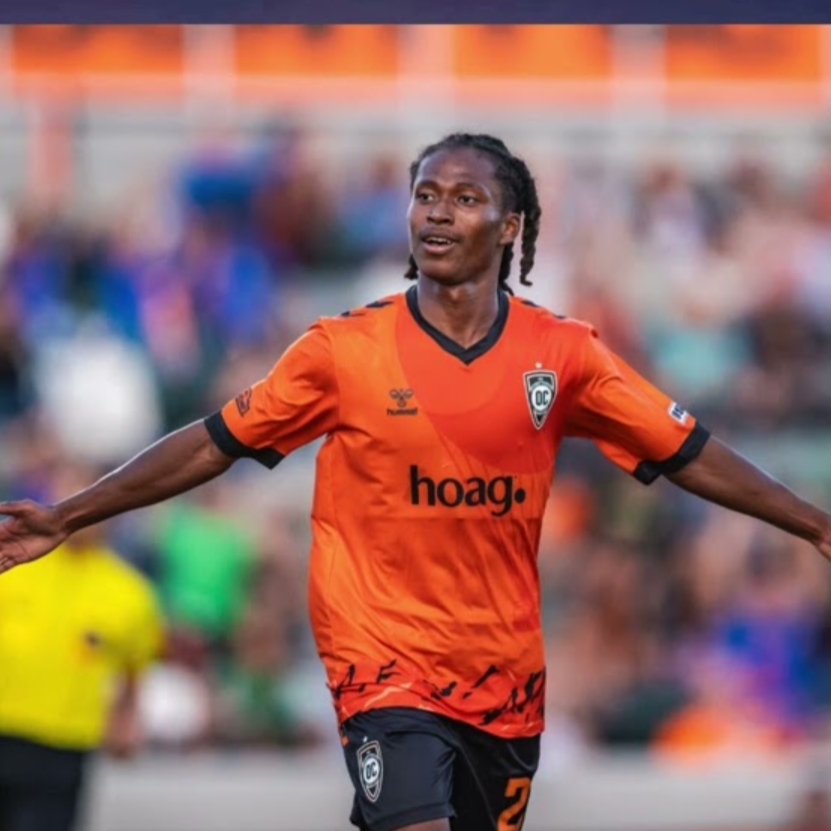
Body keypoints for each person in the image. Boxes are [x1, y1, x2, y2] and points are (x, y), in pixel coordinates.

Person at [1, 132, 830, 831]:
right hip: (380, 660)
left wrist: (812, 523)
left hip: (502, 673)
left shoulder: (564, 354)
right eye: (425, 194)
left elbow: (688, 449)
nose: (437, 211)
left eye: (464, 198)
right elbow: (213, 443)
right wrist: (70, 514)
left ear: (509, 225)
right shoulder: (342, 351)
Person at [0, 469, 163, 831]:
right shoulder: (12, 564)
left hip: (64, 743)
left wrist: (126, 721)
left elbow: (135, 668)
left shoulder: (129, 592)